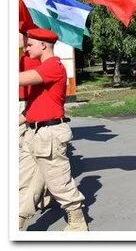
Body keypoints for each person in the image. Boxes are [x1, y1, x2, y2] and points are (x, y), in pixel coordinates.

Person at [19, 28, 88, 231]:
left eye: (29, 44)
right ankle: (16, 221)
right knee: (25, 181)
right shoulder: (41, 72)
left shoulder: (53, 66)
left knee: (59, 182)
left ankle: (77, 223)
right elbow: (33, 109)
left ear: (43, 45)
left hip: (49, 135)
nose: (26, 49)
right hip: (33, 133)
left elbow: (17, 79)